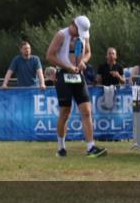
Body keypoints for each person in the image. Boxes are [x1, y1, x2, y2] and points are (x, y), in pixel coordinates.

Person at [45, 15, 107, 158]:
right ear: (72, 24)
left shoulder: (84, 35)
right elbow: (49, 56)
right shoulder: (61, 35)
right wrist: (68, 66)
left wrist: (83, 62)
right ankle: (61, 148)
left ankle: (91, 147)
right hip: (63, 74)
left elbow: (88, 52)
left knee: (86, 111)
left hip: (79, 75)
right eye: (78, 31)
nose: (80, 34)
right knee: (65, 112)